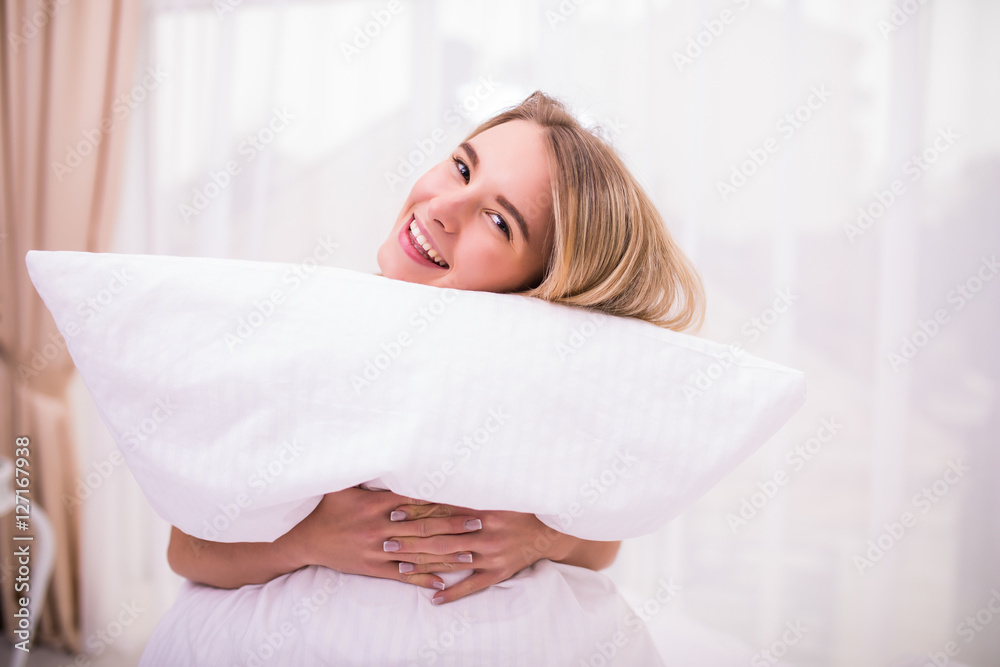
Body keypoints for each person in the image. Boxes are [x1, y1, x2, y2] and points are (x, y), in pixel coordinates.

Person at [166, 90, 705, 607]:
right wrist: (308, 540)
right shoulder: (305, 330)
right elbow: (186, 550)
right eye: (462, 169)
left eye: (499, 221)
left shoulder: (539, 374)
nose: (443, 207)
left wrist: (538, 539)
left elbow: (603, 544)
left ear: (544, 283)